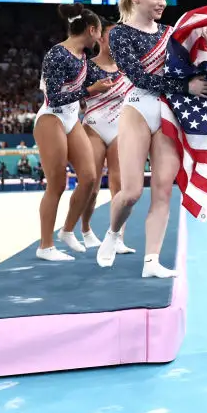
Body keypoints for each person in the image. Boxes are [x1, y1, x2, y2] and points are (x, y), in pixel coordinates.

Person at [96, 0, 207, 277]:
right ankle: (112, 233)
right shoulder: (120, 34)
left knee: (163, 190)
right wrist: (186, 87)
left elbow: (191, 66)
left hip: (167, 112)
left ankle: (152, 262)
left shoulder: (170, 32)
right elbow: (140, 78)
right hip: (137, 108)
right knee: (132, 191)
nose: (162, 3)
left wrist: (205, 45)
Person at [33, 5, 115, 262]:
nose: (100, 38)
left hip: (70, 118)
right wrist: (91, 91)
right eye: (99, 33)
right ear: (91, 30)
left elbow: (103, 74)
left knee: (90, 178)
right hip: (51, 117)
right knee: (56, 183)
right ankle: (45, 245)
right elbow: (54, 96)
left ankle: (67, 230)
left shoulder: (80, 56)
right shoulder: (57, 54)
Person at [76, 17, 136, 256]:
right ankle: (85, 229)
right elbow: (70, 96)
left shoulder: (128, 69)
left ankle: (117, 237)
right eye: (114, 37)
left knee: (120, 185)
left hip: (120, 128)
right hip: (93, 126)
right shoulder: (86, 66)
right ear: (100, 39)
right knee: (90, 185)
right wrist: (89, 92)